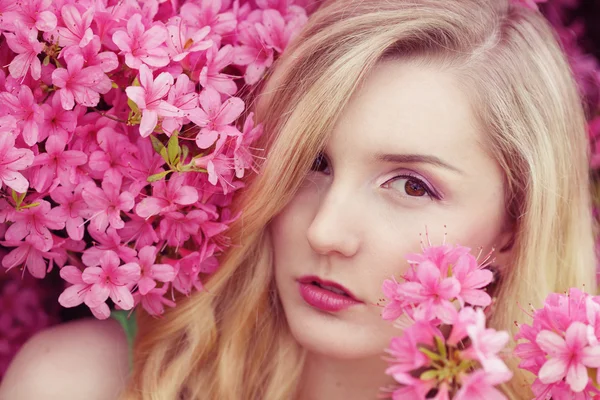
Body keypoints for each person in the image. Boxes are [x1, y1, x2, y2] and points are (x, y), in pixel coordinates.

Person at [1, 0, 596, 399]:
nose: (325, 231)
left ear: (513, 231)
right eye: (312, 162)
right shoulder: (79, 382)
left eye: (411, 185)